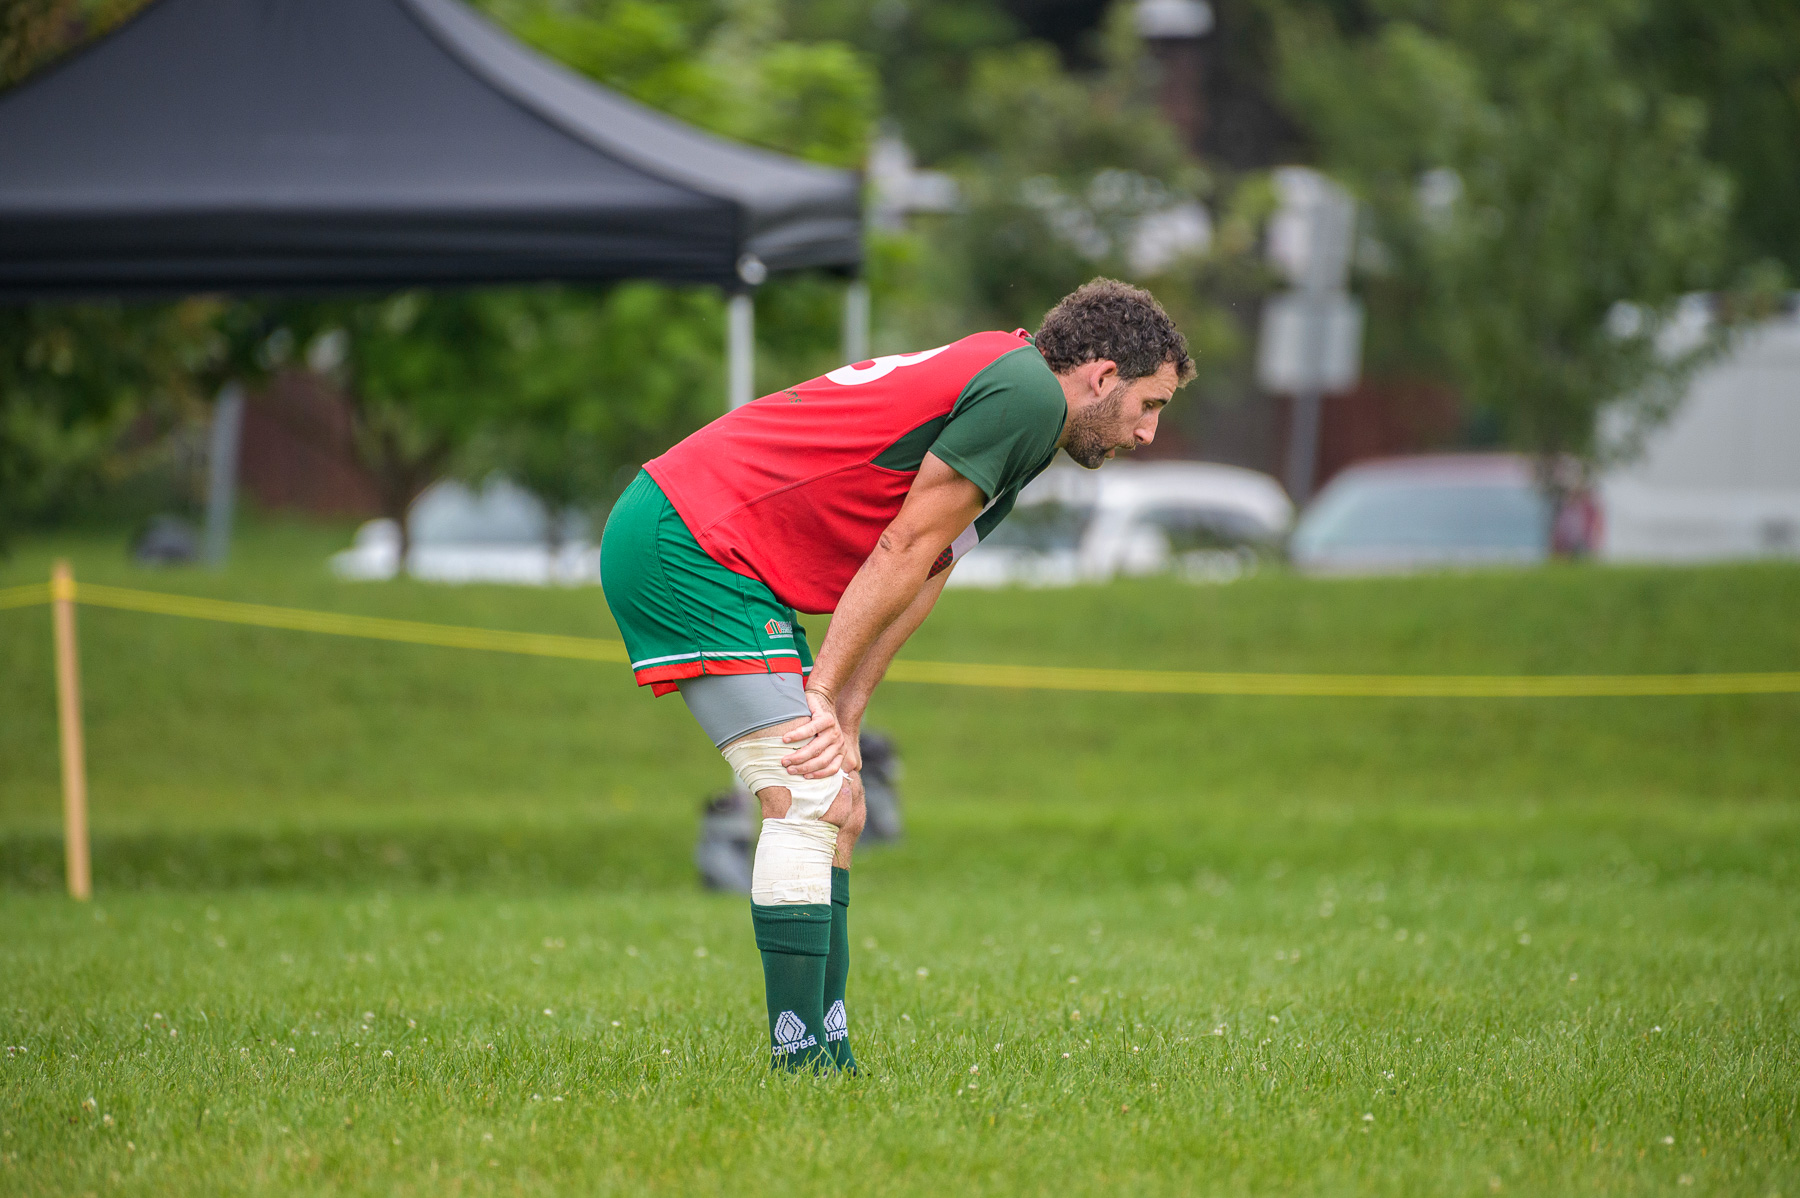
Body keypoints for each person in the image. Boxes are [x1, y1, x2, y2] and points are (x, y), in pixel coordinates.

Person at [600, 278, 1194, 1071]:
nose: (1149, 433)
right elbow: (901, 547)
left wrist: (846, 709)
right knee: (804, 793)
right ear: (1104, 375)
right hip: (692, 541)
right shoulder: (1023, 397)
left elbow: (924, 574)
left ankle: (829, 1050)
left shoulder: (1022, 410)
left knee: (840, 800)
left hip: (721, 550)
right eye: (1149, 405)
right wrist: (818, 695)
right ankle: (800, 1062)